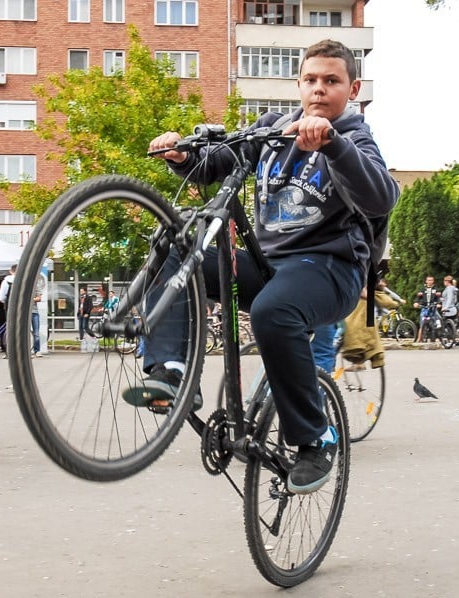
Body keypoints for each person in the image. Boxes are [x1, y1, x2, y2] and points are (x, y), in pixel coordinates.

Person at [131, 39, 400, 494]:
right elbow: (218, 161)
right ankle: (172, 373)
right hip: (271, 265)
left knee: (273, 312)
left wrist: (332, 145)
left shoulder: (354, 137)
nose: (319, 89)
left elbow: (381, 196)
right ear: (298, 84)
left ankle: (316, 439)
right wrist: (184, 156)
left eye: (331, 81)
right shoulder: (274, 129)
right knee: (176, 246)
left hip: (330, 270)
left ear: (352, 89)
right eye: (311, 80)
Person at [413, 275, 441, 342]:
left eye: (431, 280)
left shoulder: (436, 289)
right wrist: (416, 303)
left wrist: (439, 303)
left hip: (433, 308)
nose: (430, 282)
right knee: (422, 323)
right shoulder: (423, 289)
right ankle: (419, 339)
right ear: (426, 281)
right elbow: (418, 298)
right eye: (428, 280)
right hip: (425, 308)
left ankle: (441, 334)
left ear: (433, 281)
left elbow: (439, 298)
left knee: (438, 319)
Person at [0, 264, 16, 341]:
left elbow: (1, 297)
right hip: (21, 307)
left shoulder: (6, 281)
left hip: (9, 307)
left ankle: (6, 344)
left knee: (8, 327)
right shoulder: (24, 280)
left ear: (10, 271)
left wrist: (7, 302)